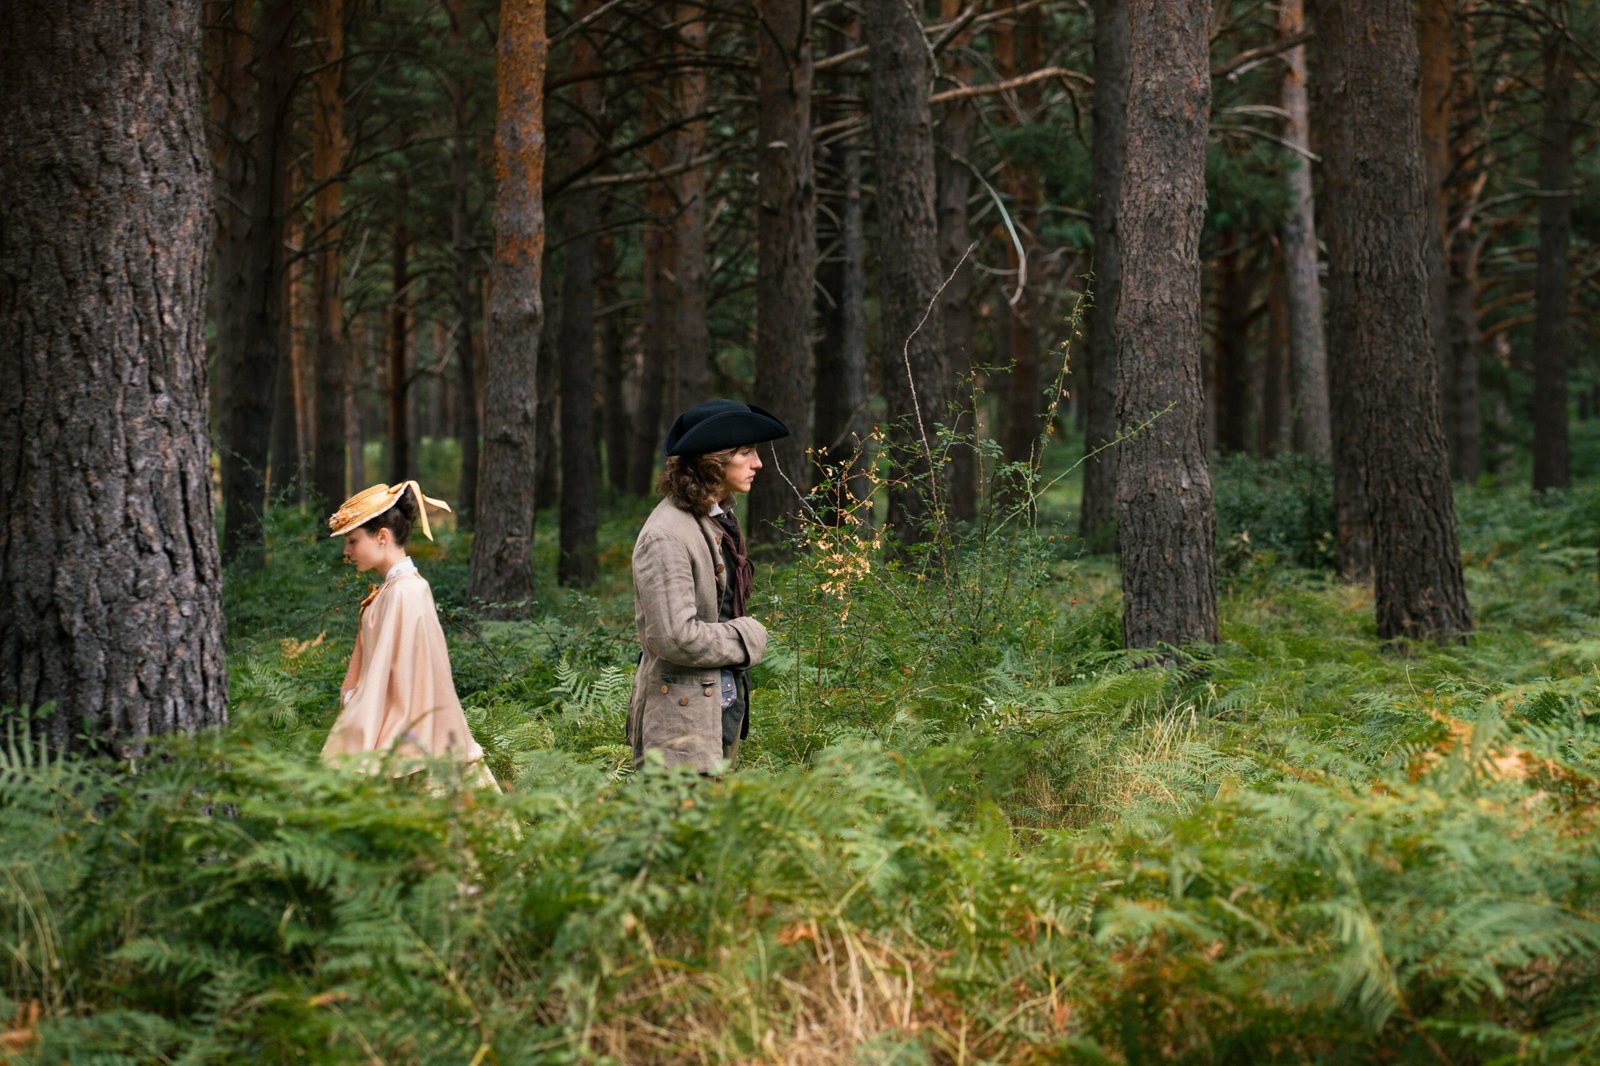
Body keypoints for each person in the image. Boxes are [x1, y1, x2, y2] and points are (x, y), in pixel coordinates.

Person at [627, 399, 790, 773]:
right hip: (680, 729)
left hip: (714, 709)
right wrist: (746, 638)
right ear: (713, 462)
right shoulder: (667, 536)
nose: (758, 463)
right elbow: (673, 637)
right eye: (746, 452)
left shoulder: (716, 519)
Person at [322, 481, 496, 789]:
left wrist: (359, 712)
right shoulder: (396, 590)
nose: (346, 552)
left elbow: (405, 678)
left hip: (411, 738)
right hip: (402, 730)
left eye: (352, 541)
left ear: (382, 537)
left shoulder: (406, 592)